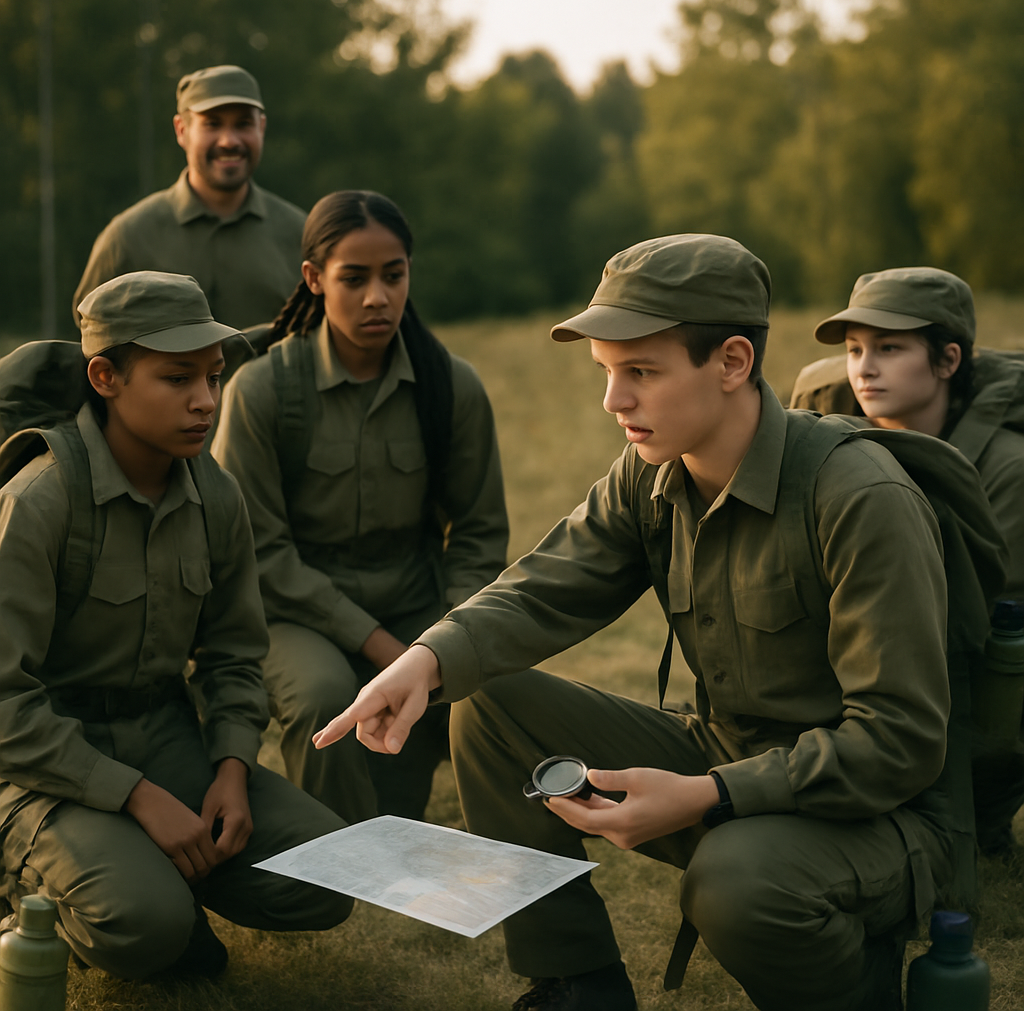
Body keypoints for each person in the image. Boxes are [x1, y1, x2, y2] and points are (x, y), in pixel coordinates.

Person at [313, 235, 975, 1011]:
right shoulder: (655, 471)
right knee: (489, 704)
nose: (613, 401)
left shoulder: (859, 497)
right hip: (728, 759)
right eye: (607, 372)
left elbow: (899, 742)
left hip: (882, 815)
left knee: (733, 885)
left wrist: (704, 795)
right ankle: (577, 983)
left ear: (731, 363)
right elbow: (542, 588)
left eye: (641, 372)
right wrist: (424, 661)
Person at [0, 272, 352, 979]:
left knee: (332, 873)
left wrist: (230, 766)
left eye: (214, 377)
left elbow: (233, 656)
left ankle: (156, 882)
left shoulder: (213, 495)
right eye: (177, 378)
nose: (205, 401)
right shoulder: (39, 502)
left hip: (163, 736)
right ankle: (47, 886)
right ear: (105, 377)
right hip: (40, 762)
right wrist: (134, 797)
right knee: (141, 924)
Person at [211, 190, 508, 823]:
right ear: (315, 280)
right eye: (354, 278)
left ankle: (410, 841)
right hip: (292, 611)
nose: (378, 296)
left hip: (412, 596)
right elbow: (259, 553)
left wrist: (447, 636)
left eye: (393, 275)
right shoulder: (262, 389)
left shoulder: (451, 385)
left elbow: (479, 536)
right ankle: (333, 865)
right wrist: (384, 647)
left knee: (475, 690)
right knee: (323, 696)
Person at [793, 266, 1024, 853]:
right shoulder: (830, 439)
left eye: (889, 348)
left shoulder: (1007, 468)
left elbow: (983, 624)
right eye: (854, 350)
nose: (864, 368)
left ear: (948, 361)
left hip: (971, 681)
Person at [72, 65, 304, 331]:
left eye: (243, 124)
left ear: (261, 128)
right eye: (212, 124)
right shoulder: (129, 238)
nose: (229, 140)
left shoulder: (300, 237)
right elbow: (92, 340)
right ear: (182, 130)